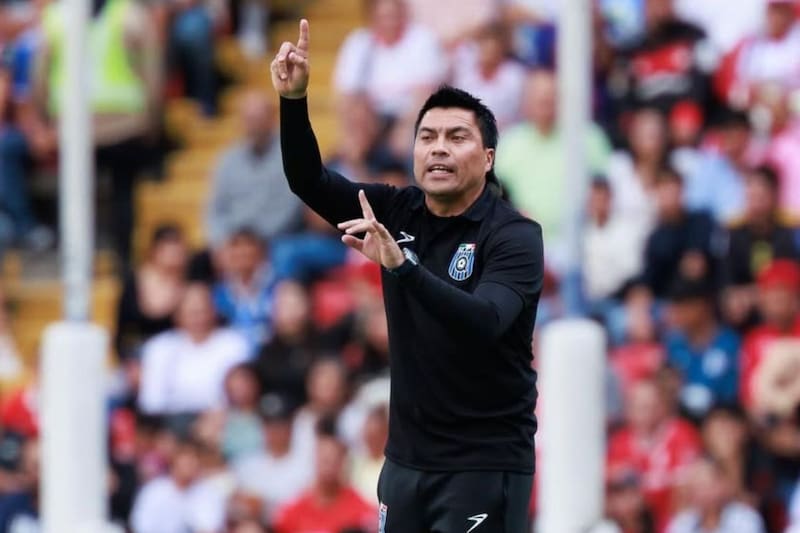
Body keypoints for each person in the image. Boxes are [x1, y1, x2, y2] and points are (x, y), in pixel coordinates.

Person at [272, 19, 543, 531]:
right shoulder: (397, 210)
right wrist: (294, 100)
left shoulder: (514, 236)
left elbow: (485, 320)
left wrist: (403, 265)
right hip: (406, 464)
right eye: (427, 136)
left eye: (456, 137)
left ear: (487, 159)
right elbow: (307, 179)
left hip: (483, 464)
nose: (438, 147)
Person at [205, 91, 303, 248]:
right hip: (234, 241)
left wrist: (254, 243)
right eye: (249, 119)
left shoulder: (291, 155)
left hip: (274, 240)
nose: (253, 126)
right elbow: (215, 210)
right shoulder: (227, 160)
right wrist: (222, 242)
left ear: (272, 118)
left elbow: (291, 210)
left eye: (258, 119)